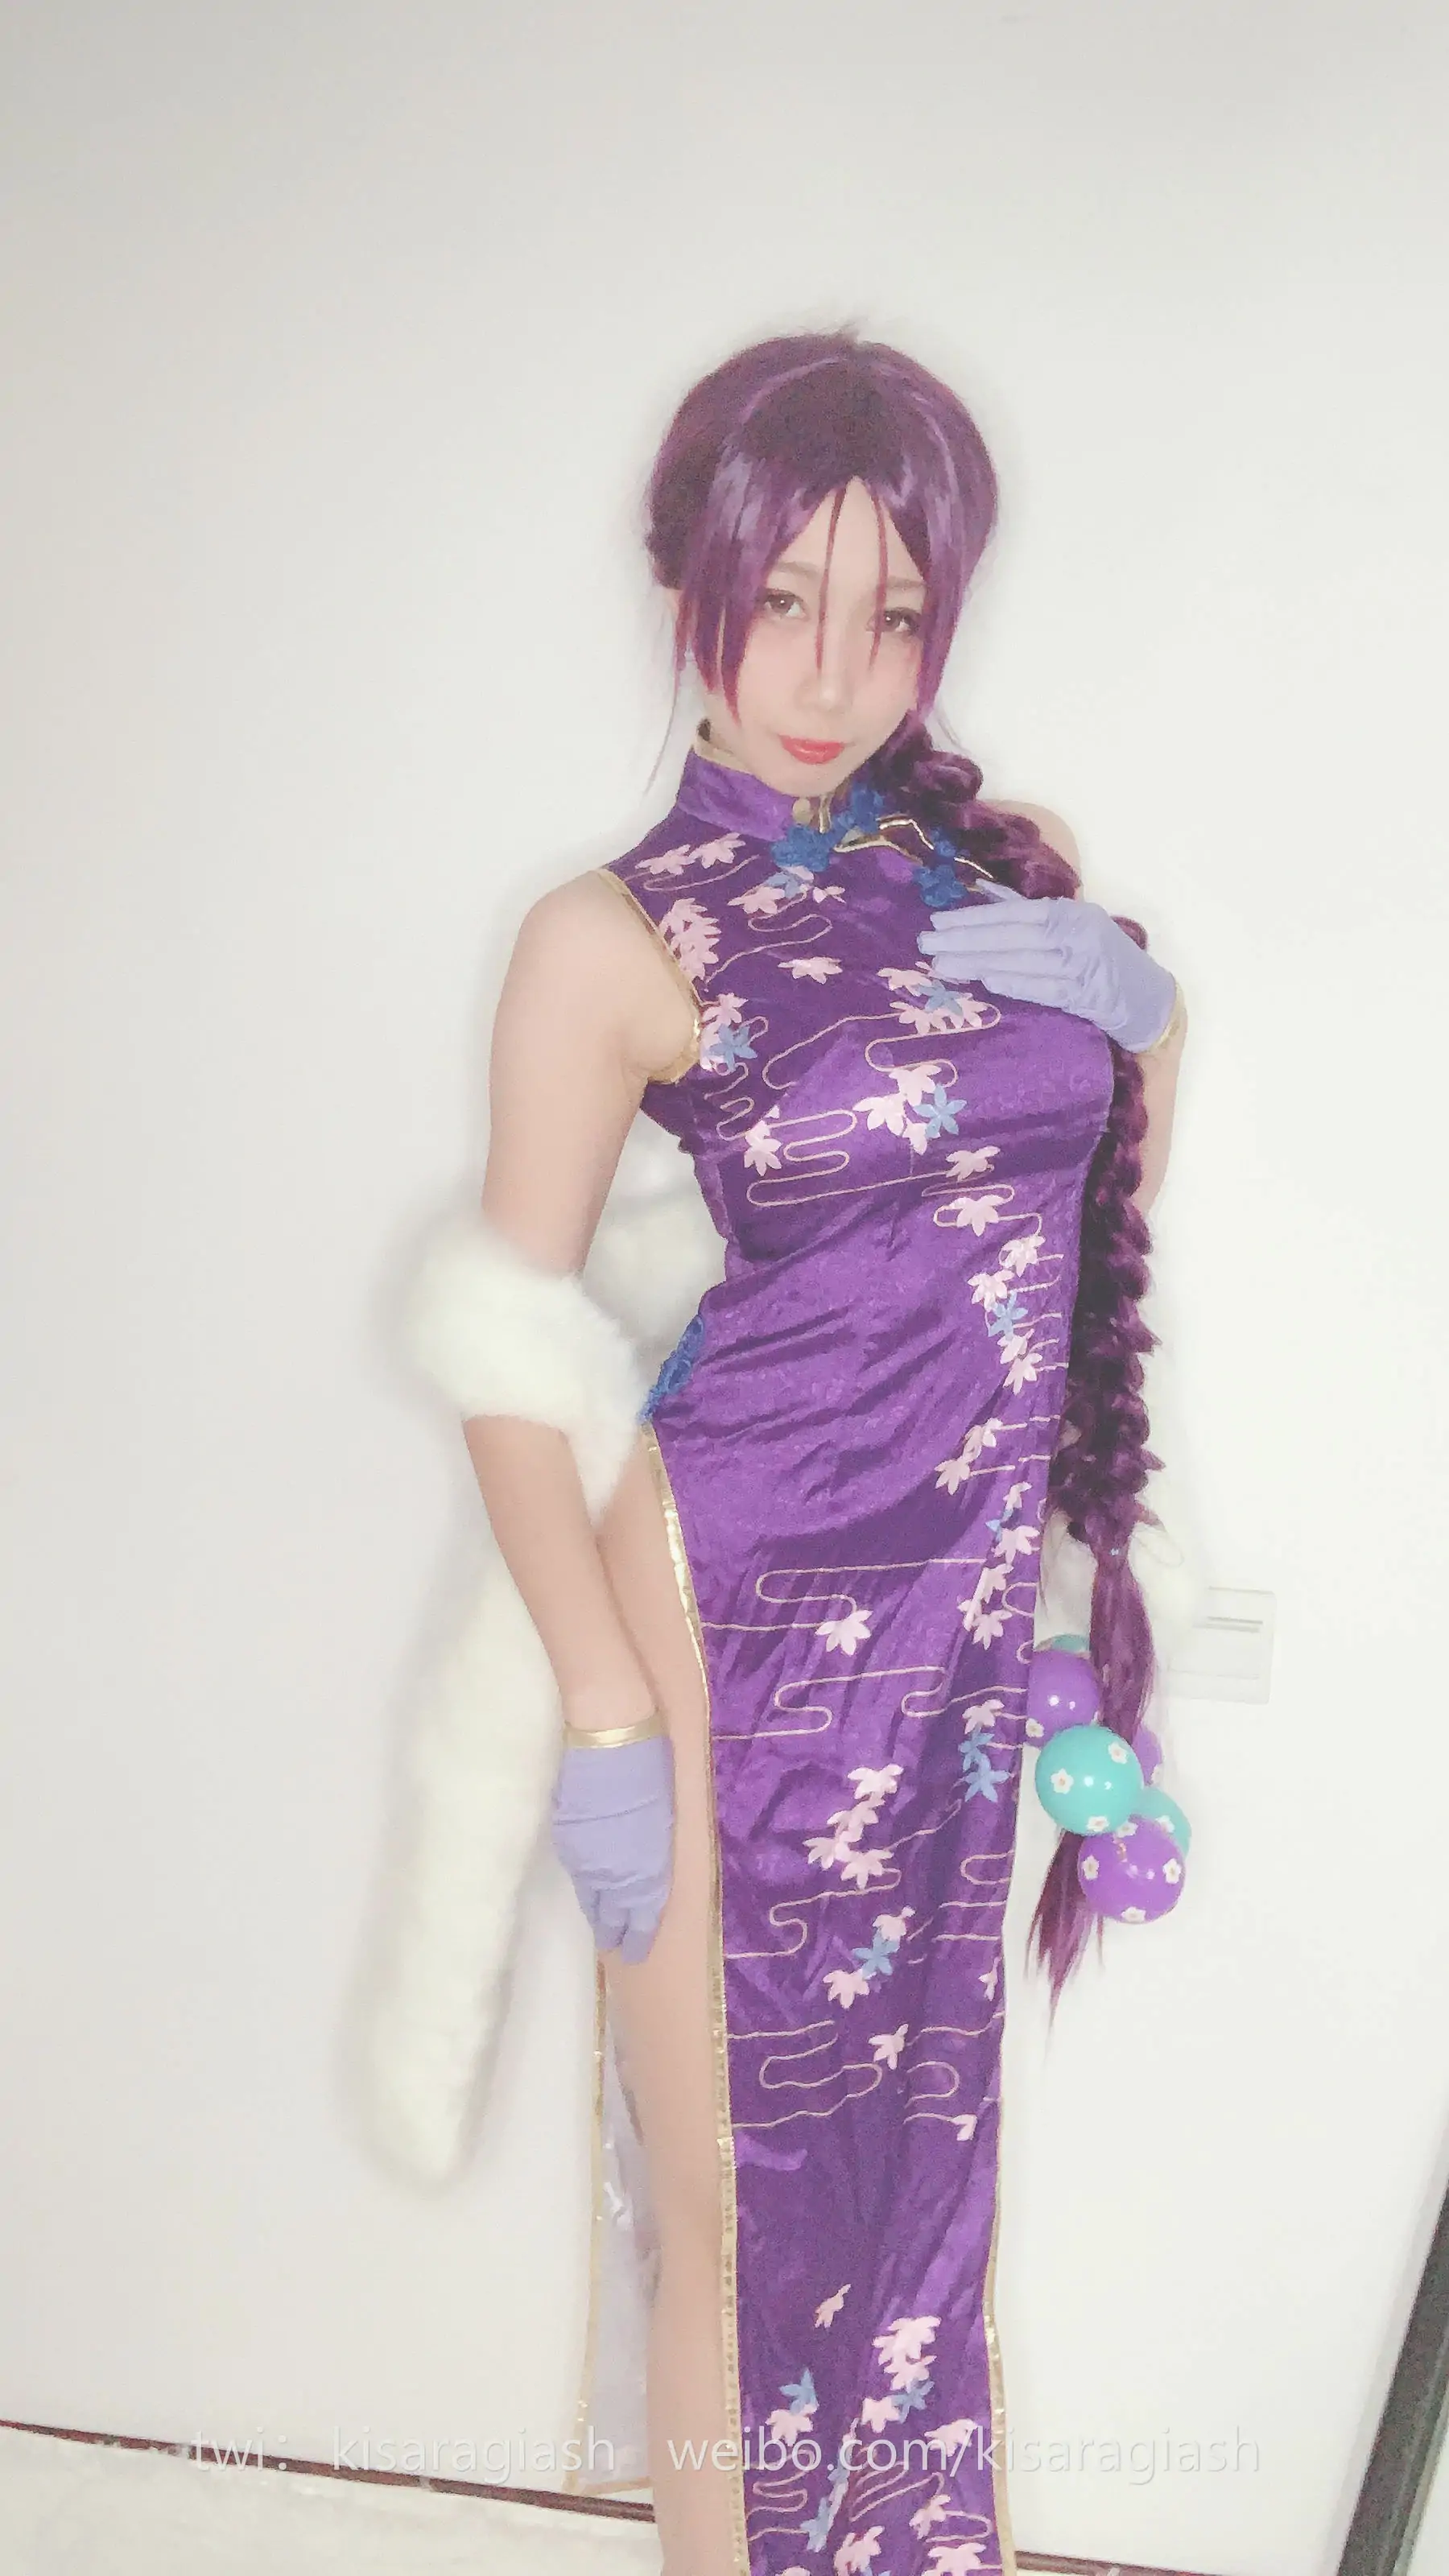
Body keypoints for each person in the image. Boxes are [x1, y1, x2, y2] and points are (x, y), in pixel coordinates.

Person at [450, 328, 1186, 2576]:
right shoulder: (611, 934)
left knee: (920, 2185)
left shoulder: (1007, 873)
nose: (831, 672)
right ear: (691, 577)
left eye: (891, 613)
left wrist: (1148, 1016)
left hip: (950, 1629)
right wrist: (603, 1711)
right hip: (729, 1613)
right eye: (782, 601)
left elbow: (1084, 1227)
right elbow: (503, 1350)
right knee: (740, 2211)